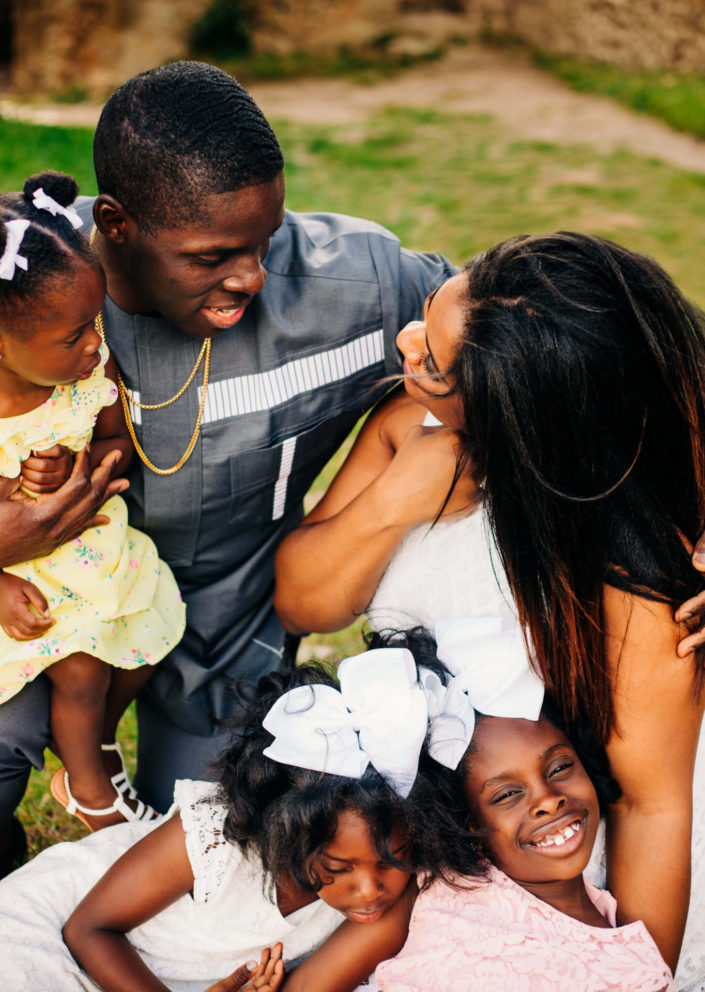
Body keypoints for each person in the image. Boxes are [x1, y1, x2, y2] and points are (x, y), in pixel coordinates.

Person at [0, 59, 456, 863]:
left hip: (221, 637)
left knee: (220, 854)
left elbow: (547, 327)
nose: (249, 276)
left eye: (264, 241)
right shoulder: (25, 285)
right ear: (115, 222)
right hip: (39, 616)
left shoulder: (353, 289)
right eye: (211, 256)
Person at [274, 233, 705, 985]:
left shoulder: (627, 563)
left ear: (514, 414)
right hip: (437, 795)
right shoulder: (409, 425)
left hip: (565, 820)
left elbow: (649, 803)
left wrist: (626, 973)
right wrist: (391, 503)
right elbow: (303, 602)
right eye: (425, 316)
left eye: (436, 360)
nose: (408, 343)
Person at [0, 645, 460, 992]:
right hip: (64, 929)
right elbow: (88, 929)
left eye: (393, 860)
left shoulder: (390, 897)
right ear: (285, 833)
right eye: (338, 868)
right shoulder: (212, 838)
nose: (370, 889)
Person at [0, 170, 185, 836]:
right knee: (81, 665)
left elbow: (116, 447)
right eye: (71, 335)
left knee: (143, 634)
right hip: (25, 576)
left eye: (93, 323)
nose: (92, 345)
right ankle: (92, 791)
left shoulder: (90, 370)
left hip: (91, 546)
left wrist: (81, 468)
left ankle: (95, 743)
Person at [369, 620, 674, 992]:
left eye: (560, 767)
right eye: (507, 795)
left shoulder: (624, 957)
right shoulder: (441, 889)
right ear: (466, 824)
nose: (547, 799)